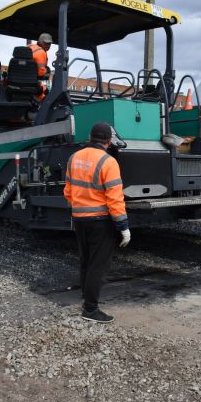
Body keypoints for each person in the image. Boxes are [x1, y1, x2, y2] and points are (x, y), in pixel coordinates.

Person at [63, 122, 130, 323]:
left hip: (79, 219)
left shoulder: (74, 158)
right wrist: (123, 226)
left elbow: (68, 191)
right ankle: (90, 310)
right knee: (98, 266)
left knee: (86, 261)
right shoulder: (108, 162)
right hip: (100, 221)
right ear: (108, 142)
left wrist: (79, 207)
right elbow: (115, 199)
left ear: (90, 138)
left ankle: (87, 299)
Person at [28, 33, 53, 101]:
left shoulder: (30, 47)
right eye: (46, 43)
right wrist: (47, 71)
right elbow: (41, 73)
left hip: (21, 79)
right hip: (30, 82)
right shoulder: (41, 52)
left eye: (49, 44)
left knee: (42, 87)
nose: (48, 45)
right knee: (46, 93)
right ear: (40, 42)